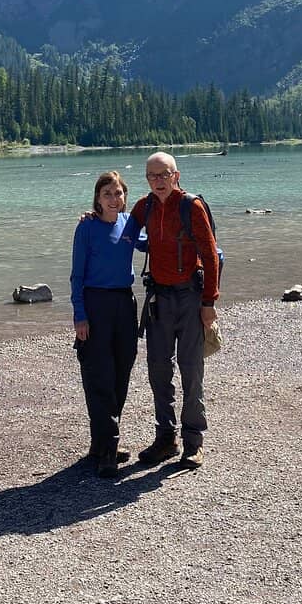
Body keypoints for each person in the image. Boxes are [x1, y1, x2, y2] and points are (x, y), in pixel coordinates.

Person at [126, 151, 220, 471]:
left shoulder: (190, 206)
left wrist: (209, 303)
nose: (158, 181)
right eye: (152, 176)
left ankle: (193, 442)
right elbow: (121, 232)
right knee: (158, 368)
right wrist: (94, 217)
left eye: (163, 175)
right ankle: (166, 438)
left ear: (176, 176)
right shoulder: (145, 206)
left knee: (191, 369)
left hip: (190, 297)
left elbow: (210, 257)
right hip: (159, 299)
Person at [70, 171, 140, 477]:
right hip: (95, 305)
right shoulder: (86, 227)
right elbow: (77, 275)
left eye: (119, 193)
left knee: (121, 374)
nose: (114, 199)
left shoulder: (131, 224)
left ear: (126, 197)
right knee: (99, 376)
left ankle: (100, 443)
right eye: (107, 194)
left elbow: (157, 242)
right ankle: (109, 449)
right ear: (97, 199)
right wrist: (79, 314)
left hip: (125, 304)